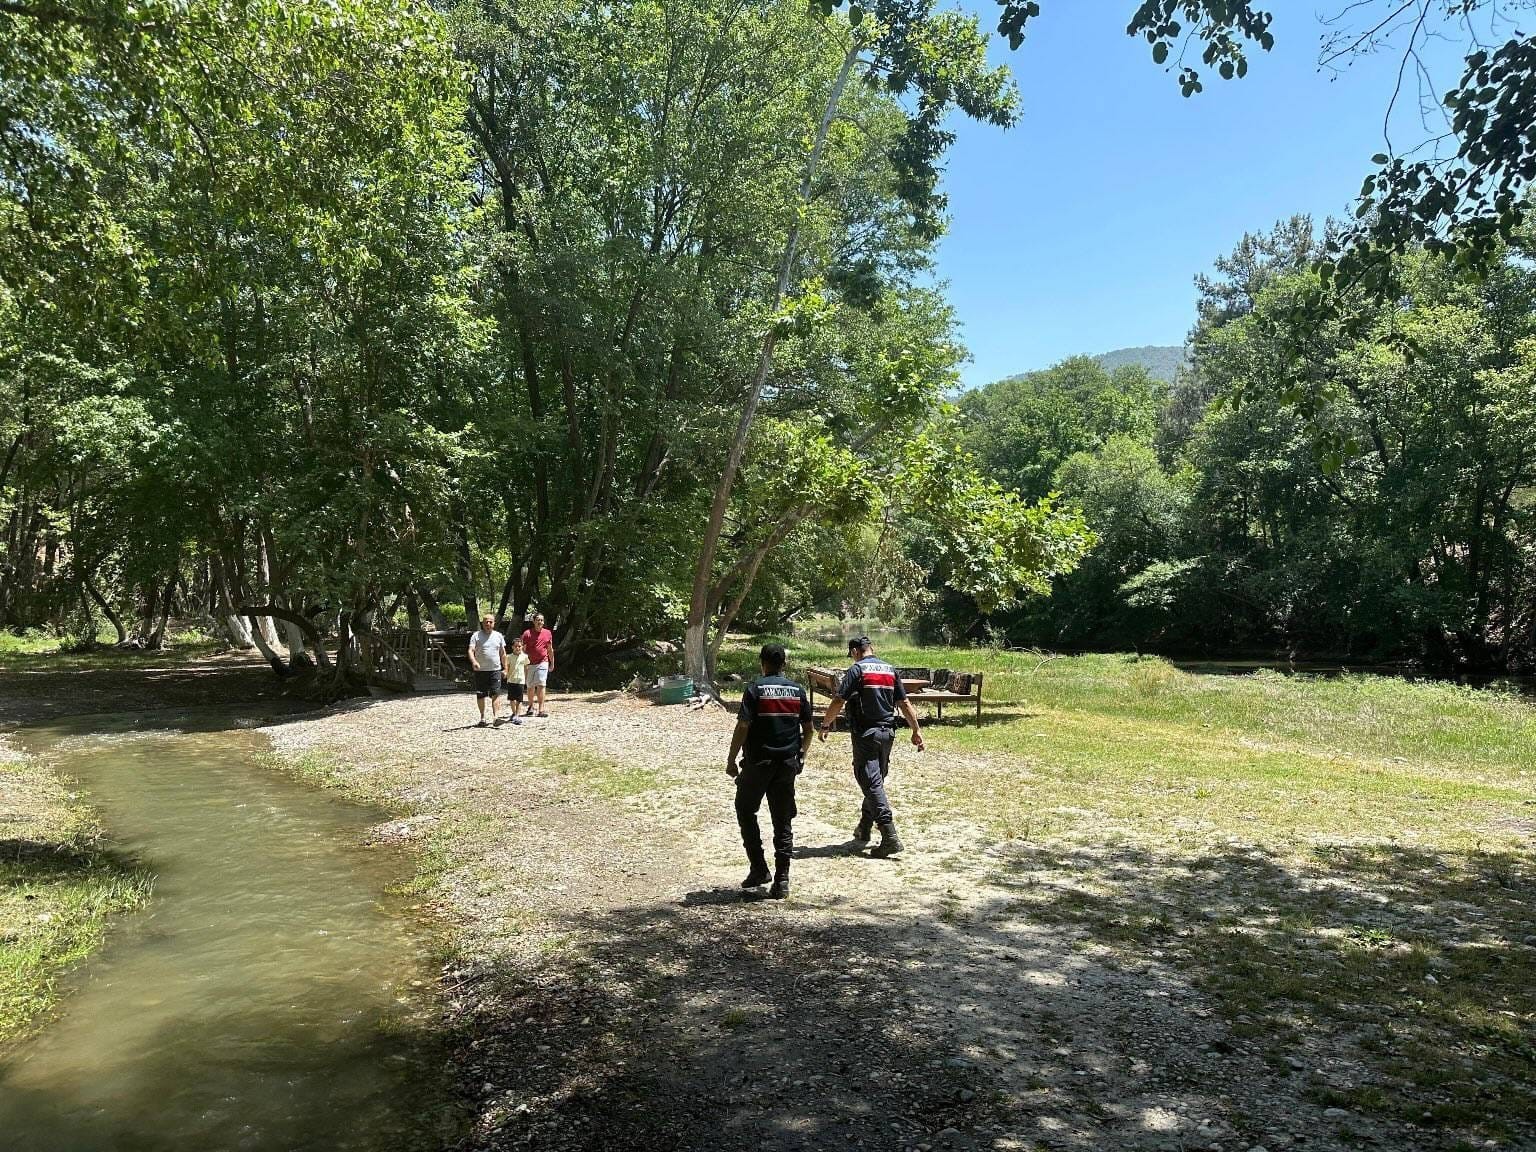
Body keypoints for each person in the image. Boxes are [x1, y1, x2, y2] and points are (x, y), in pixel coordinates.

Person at [817, 635, 924, 856]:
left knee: (870, 780)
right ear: (871, 648)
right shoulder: (889, 669)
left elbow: (839, 700)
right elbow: (903, 702)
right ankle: (864, 828)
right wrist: (916, 730)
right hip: (888, 733)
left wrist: (826, 724)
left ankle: (889, 835)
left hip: (866, 734)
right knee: (875, 779)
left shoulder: (857, 670)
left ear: (856, 651)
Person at [727, 643, 813, 899]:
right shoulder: (797, 691)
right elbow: (808, 730)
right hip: (786, 765)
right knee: (782, 821)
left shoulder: (755, 690)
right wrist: (801, 757)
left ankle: (759, 867)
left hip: (758, 763)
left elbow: (743, 726)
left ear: (762, 663)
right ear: (783, 663)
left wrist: (731, 758)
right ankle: (782, 880)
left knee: (745, 809)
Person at [467, 613, 509, 727]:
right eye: (486, 622)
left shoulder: (498, 636)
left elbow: (503, 653)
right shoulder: (476, 636)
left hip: (495, 669)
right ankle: (482, 717)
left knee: (496, 693)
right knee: (481, 694)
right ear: (482, 623)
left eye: (490, 622)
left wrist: (505, 668)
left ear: (494, 623)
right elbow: (471, 650)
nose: (488, 624)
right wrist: (474, 661)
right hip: (481, 670)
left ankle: (496, 718)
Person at [520, 612, 554, 717]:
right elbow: (522, 650)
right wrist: (522, 663)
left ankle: (541, 709)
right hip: (529, 663)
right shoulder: (527, 633)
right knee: (530, 686)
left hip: (543, 662)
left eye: (541, 620)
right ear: (534, 621)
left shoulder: (548, 633)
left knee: (541, 684)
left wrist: (552, 662)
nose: (540, 622)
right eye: (538, 620)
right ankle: (530, 707)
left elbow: (550, 649)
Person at [504, 635, 530, 724]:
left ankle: (517, 715)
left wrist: (526, 679)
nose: (518, 648)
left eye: (519, 646)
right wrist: (506, 674)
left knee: (519, 699)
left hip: (520, 680)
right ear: (512, 647)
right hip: (511, 680)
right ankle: (514, 712)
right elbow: (507, 667)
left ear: (522, 647)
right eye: (516, 646)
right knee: (512, 699)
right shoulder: (509, 657)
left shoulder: (525, 656)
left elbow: (526, 668)